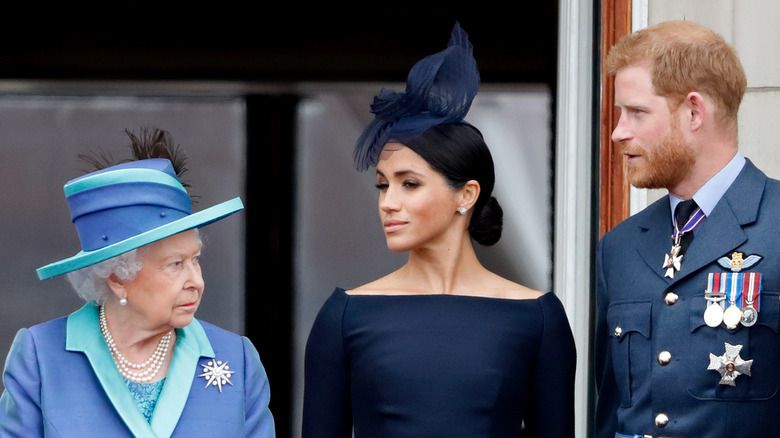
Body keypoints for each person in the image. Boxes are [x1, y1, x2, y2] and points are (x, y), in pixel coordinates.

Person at [302, 23, 576, 438]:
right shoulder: (344, 315)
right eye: (382, 184)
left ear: (466, 195)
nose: (387, 201)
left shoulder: (538, 317)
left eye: (409, 183)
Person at [0, 127, 275, 437]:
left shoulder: (237, 357)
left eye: (195, 260)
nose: (196, 281)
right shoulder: (41, 356)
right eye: (175, 265)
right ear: (118, 277)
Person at [595, 20, 780, 437]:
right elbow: (611, 412)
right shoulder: (619, 247)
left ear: (694, 112)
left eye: (637, 112)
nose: (617, 132)